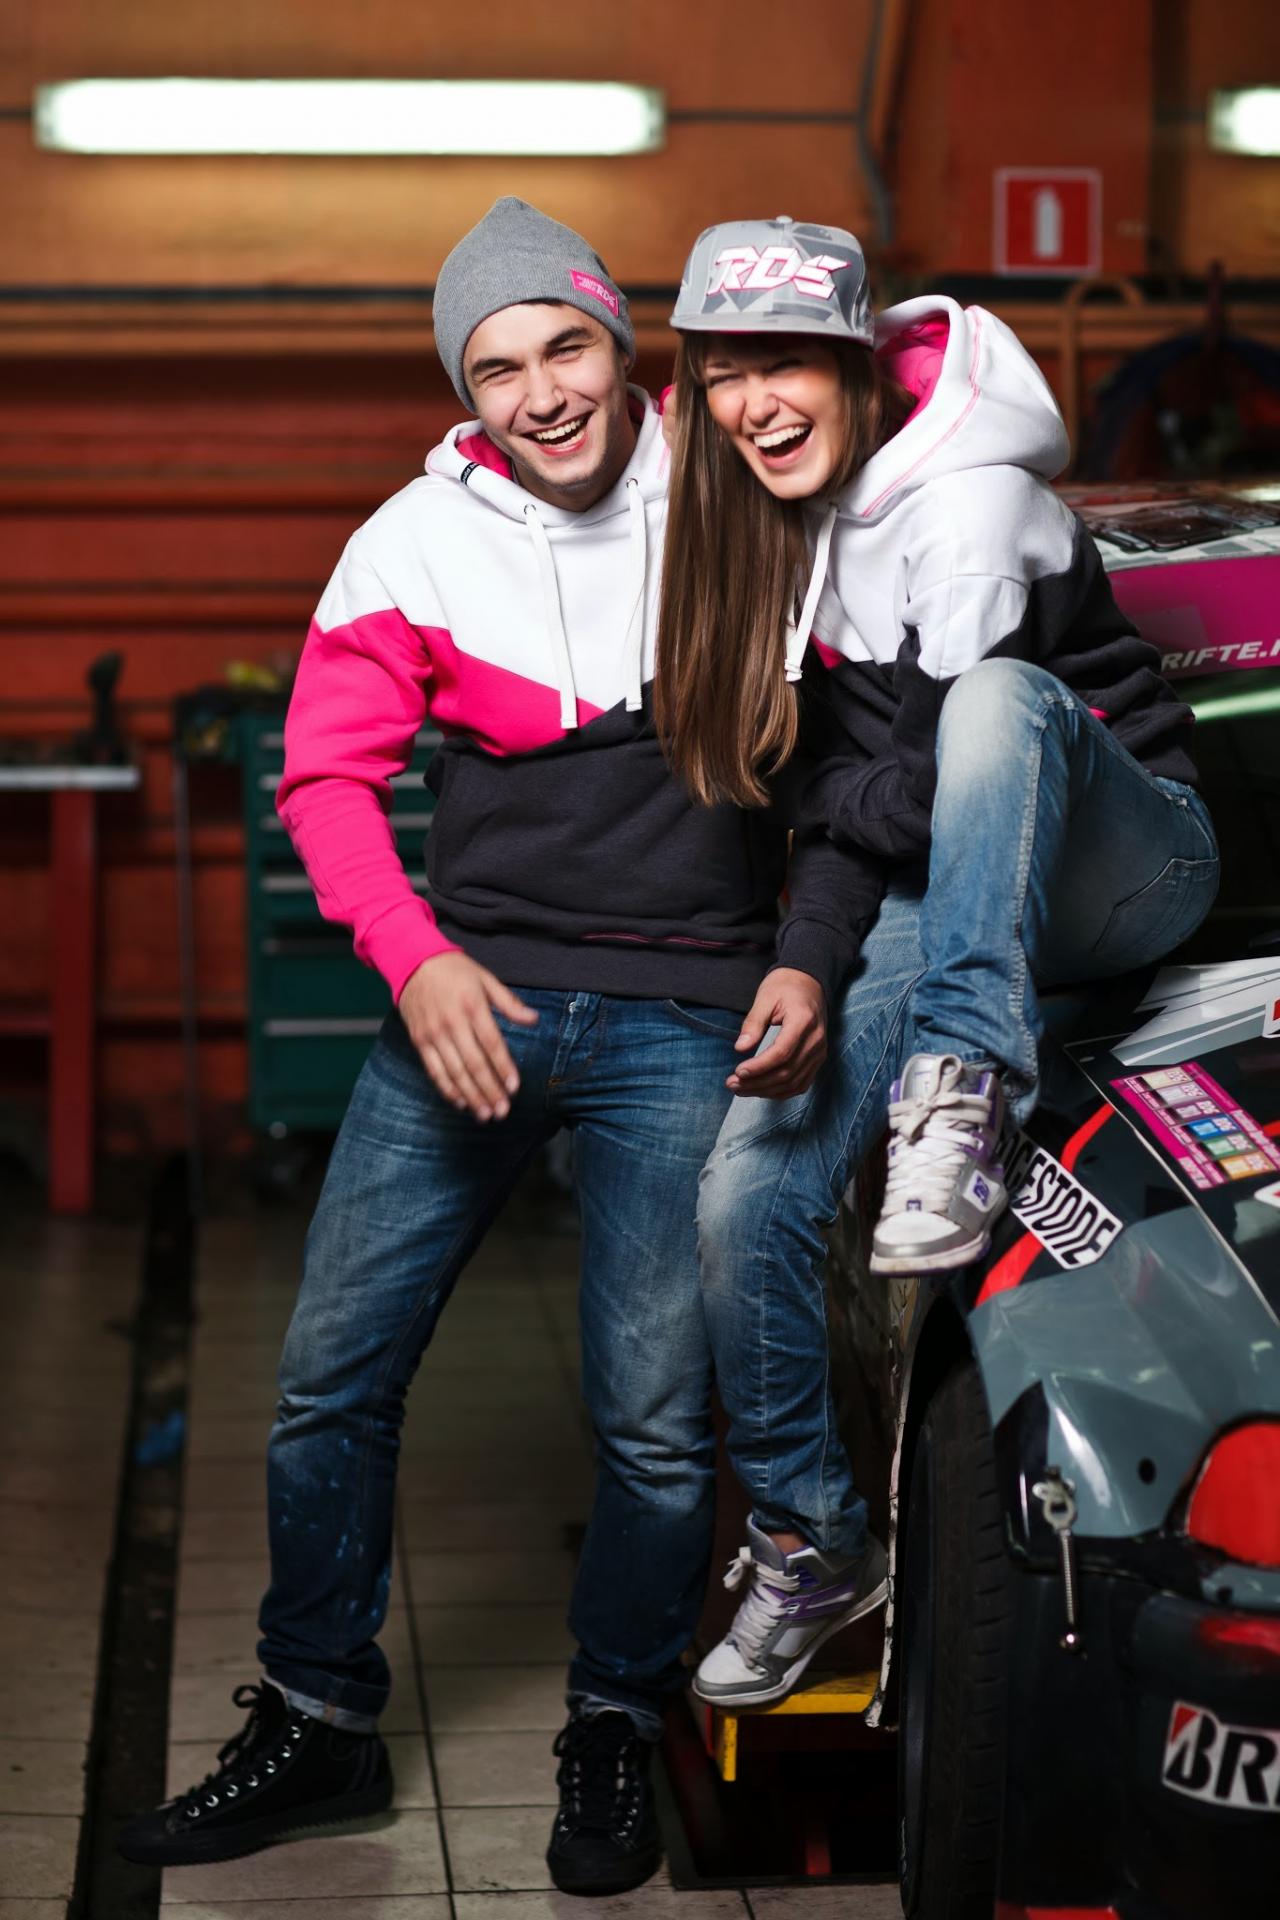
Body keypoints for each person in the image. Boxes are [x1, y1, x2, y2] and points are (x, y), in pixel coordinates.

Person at [118, 198, 872, 1897]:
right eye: (498, 368)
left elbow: (846, 779)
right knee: (330, 1376)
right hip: (477, 1004)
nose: (542, 393)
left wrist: (812, 956)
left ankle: (612, 1717)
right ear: (467, 393)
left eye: (566, 346)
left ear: (623, 346)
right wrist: (416, 961)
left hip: (690, 1015)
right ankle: (318, 1714)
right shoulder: (411, 542)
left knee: (657, 1423)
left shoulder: (747, 512)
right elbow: (325, 777)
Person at [655, 216, 1219, 1708]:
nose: (755, 404)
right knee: (748, 1191)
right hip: (944, 890)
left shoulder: (969, 505)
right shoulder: (783, 534)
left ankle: (964, 1078)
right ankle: (813, 1539)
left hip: (1130, 865)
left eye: (786, 366)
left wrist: (830, 796)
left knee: (995, 708)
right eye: (724, 375)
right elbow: (873, 810)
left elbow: (920, 776)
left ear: (859, 366)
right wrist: (804, 961)